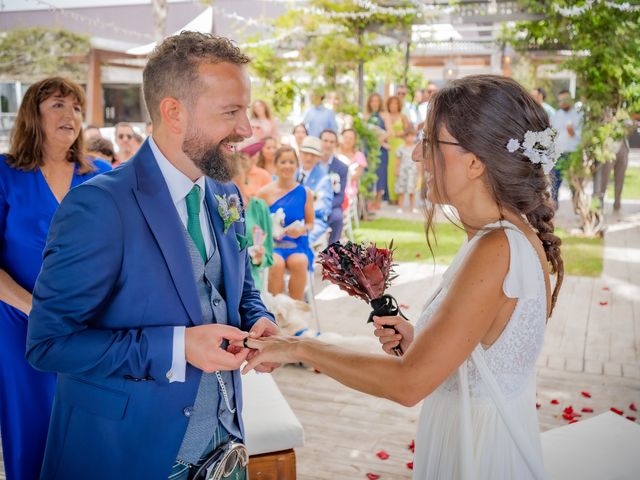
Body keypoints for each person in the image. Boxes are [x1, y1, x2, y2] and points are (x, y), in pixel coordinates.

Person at [242, 75, 564, 480]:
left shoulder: (497, 248)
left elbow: (408, 384)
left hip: (479, 453)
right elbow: (484, 357)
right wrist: (421, 341)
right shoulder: (503, 237)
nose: (414, 154)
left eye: (430, 142)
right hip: (481, 434)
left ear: (475, 161)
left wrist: (298, 348)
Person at [26, 32, 278, 480]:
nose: (246, 129)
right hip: (126, 456)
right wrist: (178, 347)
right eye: (231, 112)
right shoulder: (100, 206)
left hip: (226, 448)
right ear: (173, 112)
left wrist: (259, 319)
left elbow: (241, 290)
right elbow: (49, 344)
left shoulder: (226, 193)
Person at [0, 76, 111, 480]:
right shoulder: (4, 173)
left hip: (88, 324)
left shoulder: (99, 174)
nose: (71, 115)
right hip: (18, 323)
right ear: (34, 114)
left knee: (89, 427)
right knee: (31, 426)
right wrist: (36, 309)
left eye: (77, 108)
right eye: (59, 105)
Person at [257, 146, 314, 301]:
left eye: (291, 162)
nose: (287, 166)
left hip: (296, 243)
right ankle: (276, 310)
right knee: (276, 264)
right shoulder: (264, 193)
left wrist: (302, 229)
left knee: (300, 262)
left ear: (297, 165)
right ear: (276, 165)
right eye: (283, 162)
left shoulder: (305, 193)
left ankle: (295, 309)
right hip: (271, 244)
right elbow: (255, 224)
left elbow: (310, 223)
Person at [297, 136, 333, 245]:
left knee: (301, 240)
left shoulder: (323, 178)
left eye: (312, 155)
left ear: (318, 158)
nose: (308, 157)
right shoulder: (292, 173)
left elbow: (324, 209)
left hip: (314, 220)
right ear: (300, 153)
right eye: (306, 153)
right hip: (290, 220)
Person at [550, 89, 582, 208]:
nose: (562, 102)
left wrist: (573, 133)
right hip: (558, 154)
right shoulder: (556, 116)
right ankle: (554, 207)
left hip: (573, 154)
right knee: (555, 182)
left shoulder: (579, 115)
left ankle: (577, 206)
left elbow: (583, 136)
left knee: (575, 183)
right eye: (560, 100)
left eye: (565, 99)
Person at [319, 129, 349, 244]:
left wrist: (325, 207)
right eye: (325, 141)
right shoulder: (312, 163)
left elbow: (340, 196)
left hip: (332, 205)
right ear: (320, 142)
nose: (328, 144)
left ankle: (332, 251)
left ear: (335, 144)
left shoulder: (341, 168)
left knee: (337, 217)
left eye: (332, 142)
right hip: (310, 204)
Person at [365, 92, 389, 209]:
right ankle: (369, 200)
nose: (374, 103)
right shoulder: (366, 115)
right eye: (372, 101)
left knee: (381, 174)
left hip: (381, 150)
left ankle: (378, 200)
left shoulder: (384, 115)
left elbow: (390, 132)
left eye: (377, 101)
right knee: (369, 173)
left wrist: (379, 141)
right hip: (369, 149)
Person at [384, 95, 410, 204]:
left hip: (399, 144)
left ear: (399, 105)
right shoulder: (385, 116)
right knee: (390, 170)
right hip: (389, 144)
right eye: (391, 103)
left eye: (395, 103)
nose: (393, 105)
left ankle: (399, 197)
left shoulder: (403, 116)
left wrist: (402, 133)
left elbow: (409, 130)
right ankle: (391, 197)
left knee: (399, 170)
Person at [337, 128, 367, 211]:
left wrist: (344, 179)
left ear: (354, 141)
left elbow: (357, 175)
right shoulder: (335, 153)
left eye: (351, 138)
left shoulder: (359, 156)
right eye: (346, 137)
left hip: (349, 186)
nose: (348, 140)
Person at [394, 127, 420, 213]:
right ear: (405, 137)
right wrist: (396, 170)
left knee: (411, 190)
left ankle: (412, 207)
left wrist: (420, 173)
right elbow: (397, 159)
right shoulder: (401, 147)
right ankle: (400, 207)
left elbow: (418, 161)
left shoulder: (416, 148)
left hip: (413, 172)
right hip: (402, 171)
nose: (410, 138)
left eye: (412, 136)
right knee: (401, 189)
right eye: (408, 136)